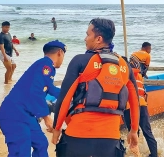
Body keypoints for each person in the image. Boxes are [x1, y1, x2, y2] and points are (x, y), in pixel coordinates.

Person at [52, 18, 140, 157]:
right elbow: (135, 101)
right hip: (110, 142)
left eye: (88, 35)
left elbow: (64, 98)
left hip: (77, 138)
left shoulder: (80, 61)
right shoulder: (124, 65)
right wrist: (134, 131)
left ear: (98, 39)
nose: (85, 38)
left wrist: (57, 128)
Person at [0, 40, 66, 157]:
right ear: (60, 52)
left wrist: (73, 96)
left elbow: (51, 89)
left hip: (26, 114)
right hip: (14, 113)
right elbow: (36, 91)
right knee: (20, 151)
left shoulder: (46, 66)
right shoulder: (46, 65)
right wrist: (46, 117)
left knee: (41, 143)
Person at [123, 62, 158, 157]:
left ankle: (137, 155)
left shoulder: (123, 75)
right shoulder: (139, 75)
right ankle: (154, 155)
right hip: (142, 105)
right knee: (148, 132)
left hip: (129, 107)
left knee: (133, 132)